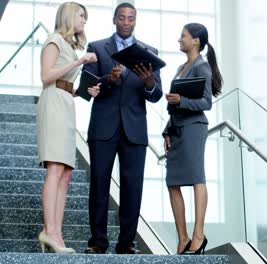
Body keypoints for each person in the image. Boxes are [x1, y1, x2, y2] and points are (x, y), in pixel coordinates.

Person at [80, 2, 163, 254]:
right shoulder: (97, 48)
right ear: (114, 19)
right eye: (122, 18)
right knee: (99, 185)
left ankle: (126, 242)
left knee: (132, 187)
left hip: (134, 131)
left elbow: (156, 94)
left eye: (131, 19)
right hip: (103, 128)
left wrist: (149, 83)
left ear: (135, 21)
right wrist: (109, 80)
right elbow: (87, 88)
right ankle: (97, 242)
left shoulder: (149, 52)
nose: (126, 22)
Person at [36, 1, 99, 254]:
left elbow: (62, 83)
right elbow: (45, 76)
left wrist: (81, 91)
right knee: (55, 169)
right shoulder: (54, 40)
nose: (84, 20)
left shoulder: (69, 46)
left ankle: (56, 233)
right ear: (69, 16)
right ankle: (49, 231)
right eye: (81, 15)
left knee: (65, 172)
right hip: (52, 105)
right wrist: (79, 62)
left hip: (64, 103)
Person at [163, 23, 223, 255]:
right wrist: (167, 130)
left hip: (193, 128)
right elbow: (174, 103)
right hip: (177, 128)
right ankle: (183, 238)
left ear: (196, 41)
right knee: (172, 182)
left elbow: (206, 103)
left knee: (197, 178)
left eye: (183, 36)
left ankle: (198, 235)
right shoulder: (182, 66)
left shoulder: (202, 67)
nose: (180, 39)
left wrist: (182, 102)